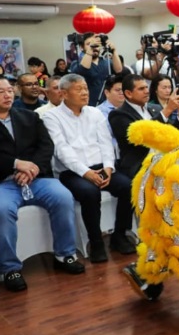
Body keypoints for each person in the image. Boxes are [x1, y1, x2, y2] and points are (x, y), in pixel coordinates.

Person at [0, 74, 85, 292]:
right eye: (0, 91)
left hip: (36, 178)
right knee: (0, 209)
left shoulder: (29, 117)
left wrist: (32, 168)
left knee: (63, 196)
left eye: (10, 90)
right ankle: (10, 269)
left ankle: (65, 255)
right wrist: (17, 164)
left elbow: (46, 146)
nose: (8, 95)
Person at [41, 74, 135, 262]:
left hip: (101, 166)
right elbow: (61, 150)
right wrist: (86, 172)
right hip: (71, 172)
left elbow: (106, 143)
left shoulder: (95, 113)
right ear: (64, 93)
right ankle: (96, 242)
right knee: (90, 193)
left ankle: (119, 235)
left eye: (85, 88)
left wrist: (108, 168)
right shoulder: (51, 117)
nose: (85, 93)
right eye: (79, 89)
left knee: (128, 186)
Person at [109, 75, 179, 180]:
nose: (146, 91)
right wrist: (167, 110)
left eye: (146, 87)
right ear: (128, 93)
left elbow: (172, 133)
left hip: (165, 159)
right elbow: (141, 136)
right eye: (141, 89)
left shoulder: (155, 109)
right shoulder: (118, 115)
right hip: (140, 165)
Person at [69, 33, 124, 106]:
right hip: (88, 104)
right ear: (82, 47)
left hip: (107, 104)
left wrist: (114, 51)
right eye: (88, 44)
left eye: (97, 45)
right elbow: (83, 69)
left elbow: (119, 70)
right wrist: (90, 50)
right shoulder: (76, 63)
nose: (94, 47)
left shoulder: (105, 62)